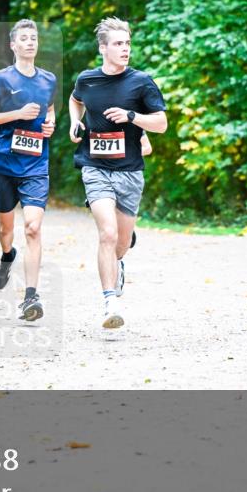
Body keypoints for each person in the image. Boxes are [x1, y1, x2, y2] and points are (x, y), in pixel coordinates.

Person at [69, 17, 167, 329]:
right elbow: (75, 100)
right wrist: (76, 121)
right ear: (103, 48)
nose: (125, 49)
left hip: (129, 172)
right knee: (107, 234)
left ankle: (119, 262)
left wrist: (132, 116)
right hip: (95, 167)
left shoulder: (141, 82)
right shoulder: (88, 80)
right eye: (118, 44)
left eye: (127, 43)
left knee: (120, 243)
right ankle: (110, 301)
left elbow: (161, 123)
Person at [0, 19, 57, 321]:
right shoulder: (1, 79)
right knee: (6, 230)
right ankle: (7, 256)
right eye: (23, 38)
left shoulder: (48, 79)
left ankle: (31, 296)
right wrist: (17, 114)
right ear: (13, 45)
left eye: (33, 37)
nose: (30, 42)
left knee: (33, 228)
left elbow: (48, 110)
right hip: (5, 163)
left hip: (36, 163)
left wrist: (50, 125)